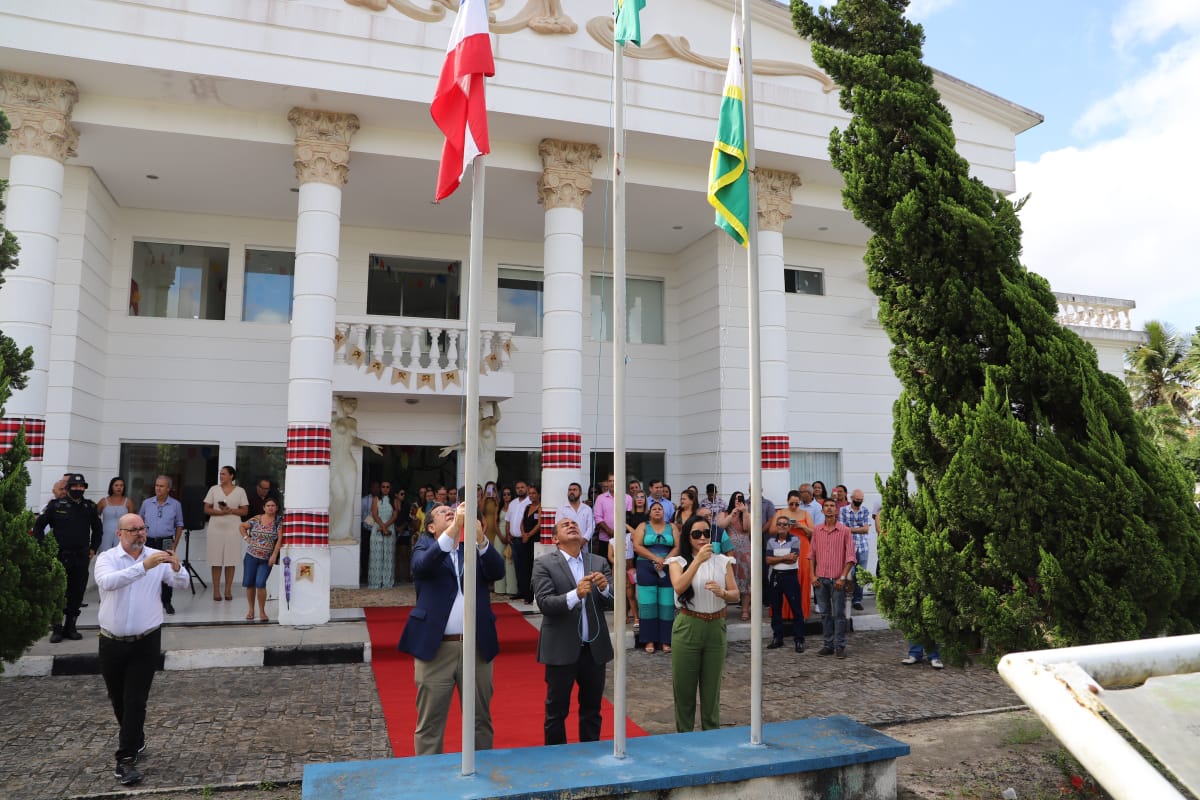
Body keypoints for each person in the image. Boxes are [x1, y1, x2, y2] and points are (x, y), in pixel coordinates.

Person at [397, 503, 505, 755]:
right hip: (436, 648)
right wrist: (455, 528)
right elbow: (421, 567)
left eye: (452, 510)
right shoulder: (425, 547)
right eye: (442, 512)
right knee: (430, 722)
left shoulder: (473, 549)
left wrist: (481, 540)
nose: (450, 512)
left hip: (476, 647)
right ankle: (429, 773)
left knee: (480, 719)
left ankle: (482, 768)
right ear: (431, 527)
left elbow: (497, 571)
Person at [94, 513, 190, 786]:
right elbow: (108, 582)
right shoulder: (107, 558)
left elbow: (182, 583)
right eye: (133, 529)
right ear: (120, 533)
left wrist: (176, 567)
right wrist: (143, 567)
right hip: (111, 640)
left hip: (146, 640)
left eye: (142, 528)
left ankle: (125, 759)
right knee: (118, 699)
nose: (140, 533)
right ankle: (135, 738)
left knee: (135, 699)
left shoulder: (156, 557)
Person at [532, 516, 614, 745]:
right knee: (556, 711)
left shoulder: (598, 562)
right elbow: (545, 603)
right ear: (555, 539)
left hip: (593, 650)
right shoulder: (544, 563)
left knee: (592, 709)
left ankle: (591, 753)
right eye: (565, 524)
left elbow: (614, 602)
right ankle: (556, 756)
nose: (571, 525)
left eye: (574, 524)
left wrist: (605, 588)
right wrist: (575, 595)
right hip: (561, 648)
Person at [666, 516, 738, 732]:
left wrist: (723, 592)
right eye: (696, 534)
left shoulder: (723, 561)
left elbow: (735, 594)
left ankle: (711, 735)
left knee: (712, 689)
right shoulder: (677, 562)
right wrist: (697, 561)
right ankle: (685, 735)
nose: (702, 538)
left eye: (706, 533)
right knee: (684, 689)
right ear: (688, 537)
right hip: (688, 624)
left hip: (715, 626)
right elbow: (679, 586)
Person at [33, 473, 103, 643]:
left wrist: (93, 548)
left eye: (81, 486)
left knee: (77, 593)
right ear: (68, 488)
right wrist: (45, 548)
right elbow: (38, 527)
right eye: (75, 486)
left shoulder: (89, 507)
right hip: (59, 556)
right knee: (58, 593)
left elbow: (98, 530)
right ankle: (57, 628)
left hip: (81, 557)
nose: (78, 489)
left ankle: (71, 627)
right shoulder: (56, 506)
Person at [330, 396, 382, 539]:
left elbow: (353, 440)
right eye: (350, 403)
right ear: (342, 403)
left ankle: (344, 532)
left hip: (348, 461)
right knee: (339, 496)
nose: (353, 406)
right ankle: (331, 528)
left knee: (349, 499)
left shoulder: (353, 421)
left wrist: (370, 445)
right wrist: (338, 406)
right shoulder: (332, 417)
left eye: (355, 404)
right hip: (335, 461)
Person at [811, 498, 856, 658]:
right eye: (826, 506)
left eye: (832, 506)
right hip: (820, 580)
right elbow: (812, 555)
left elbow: (850, 557)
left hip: (837, 580)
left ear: (836, 510)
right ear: (822, 510)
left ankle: (840, 646)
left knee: (839, 614)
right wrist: (812, 575)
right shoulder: (817, 530)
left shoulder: (845, 531)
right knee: (824, 614)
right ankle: (828, 645)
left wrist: (842, 577)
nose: (829, 508)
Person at [633, 500, 678, 654]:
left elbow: (677, 546)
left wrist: (664, 561)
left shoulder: (672, 527)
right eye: (654, 509)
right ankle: (649, 640)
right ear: (650, 512)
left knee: (667, 604)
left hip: (668, 566)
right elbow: (637, 546)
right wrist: (655, 558)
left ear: (664, 512)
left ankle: (666, 640)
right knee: (647, 604)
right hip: (646, 566)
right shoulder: (643, 526)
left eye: (660, 508)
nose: (657, 510)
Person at [137, 475, 185, 615]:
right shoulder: (147, 503)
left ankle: (167, 601)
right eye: (157, 485)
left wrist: (175, 544)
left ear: (168, 488)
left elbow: (179, 525)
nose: (158, 488)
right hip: (149, 541)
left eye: (161, 486)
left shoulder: (175, 505)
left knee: (167, 571)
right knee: (148, 570)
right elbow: (139, 521)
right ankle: (147, 601)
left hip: (166, 541)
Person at [203, 465, 249, 601]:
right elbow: (206, 508)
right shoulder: (213, 489)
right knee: (216, 559)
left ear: (231, 476)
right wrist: (220, 513)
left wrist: (231, 510)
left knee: (231, 559)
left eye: (223, 474)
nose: (221, 476)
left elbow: (245, 511)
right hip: (215, 528)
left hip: (233, 528)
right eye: (220, 473)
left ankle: (228, 590)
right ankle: (216, 591)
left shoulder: (240, 491)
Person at [766, 513, 808, 652]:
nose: (782, 526)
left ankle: (799, 640)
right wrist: (785, 557)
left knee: (796, 609)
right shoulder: (771, 541)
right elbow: (768, 560)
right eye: (779, 524)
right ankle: (777, 638)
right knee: (776, 609)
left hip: (790, 577)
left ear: (789, 527)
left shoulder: (795, 540)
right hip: (776, 577)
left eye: (785, 524)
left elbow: (793, 559)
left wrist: (777, 558)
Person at [238, 497, 282, 621]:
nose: (270, 508)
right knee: (249, 584)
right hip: (251, 557)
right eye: (268, 505)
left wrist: (274, 555)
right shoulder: (256, 519)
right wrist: (247, 538)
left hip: (266, 559)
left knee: (260, 583)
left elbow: (280, 540)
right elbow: (241, 526)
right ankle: (251, 610)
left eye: (273, 505)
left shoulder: (278, 522)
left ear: (276, 508)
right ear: (264, 507)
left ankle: (262, 612)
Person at [716, 491, 752, 622]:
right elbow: (720, 526)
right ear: (732, 500)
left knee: (745, 580)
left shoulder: (747, 513)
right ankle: (723, 610)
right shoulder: (724, 513)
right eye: (736, 498)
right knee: (726, 580)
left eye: (740, 498)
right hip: (728, 551)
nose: (738, 500)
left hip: (745, 551)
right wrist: (732, 514)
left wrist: (745, 512)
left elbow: (748, 528)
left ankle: (745, 610)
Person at [839, 488, 873, 610]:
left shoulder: (865, 510)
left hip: (863, 547)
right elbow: (842, 529)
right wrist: (859, 528)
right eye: (857, 499)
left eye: (861, 499)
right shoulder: (843, 510)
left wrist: (850, 529)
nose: (859, 501)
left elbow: (866, 529)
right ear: (851, 498)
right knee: (850, 573)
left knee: (861, 575)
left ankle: (857, 600)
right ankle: (846, 598)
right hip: (848, 547)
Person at [367, 481, 399, 588]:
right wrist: (382, 527)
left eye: (387, 487)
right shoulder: (376, 499)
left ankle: (387, 581)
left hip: (389, 527)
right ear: (380, 488)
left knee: (388, 556)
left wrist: (385, 527)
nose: (385, 489)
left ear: (390, 488)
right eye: (383, 487)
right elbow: (374, 514)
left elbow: (395, 516)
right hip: (377, 528)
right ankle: (376, 581)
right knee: (377, 555)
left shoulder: (394, 500)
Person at [517, 485, 542, 604]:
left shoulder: (540, 507)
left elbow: (539, 524)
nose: (531, 495)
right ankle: (526, 594)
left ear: (538, 494)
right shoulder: (527, 507)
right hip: (525, 540)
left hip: (534, 540)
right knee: (525, 567)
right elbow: (522, 522)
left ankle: (533, 595)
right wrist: (523, 534)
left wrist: (529, 535)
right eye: (530, 493)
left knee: (533, 567)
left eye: (533, 493)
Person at [97, 477, 135, 552]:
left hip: (122, 535)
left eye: (121, 485)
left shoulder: (128, 502)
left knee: (120, 554)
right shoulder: (103, 501)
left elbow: (132, 521)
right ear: (111, 487)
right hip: (105, 535)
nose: (119, 487)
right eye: (116, 485)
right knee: (105, 555)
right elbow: (95, 518)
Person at [556, 481, 595, 547]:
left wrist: (583, 541)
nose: (571, 492)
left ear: (580, 493)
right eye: (570, 490)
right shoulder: (561, 509)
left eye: (574, 490)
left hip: (583, 545)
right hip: (567, 546)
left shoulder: (587, 509)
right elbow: (559, 527)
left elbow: (591, 527)